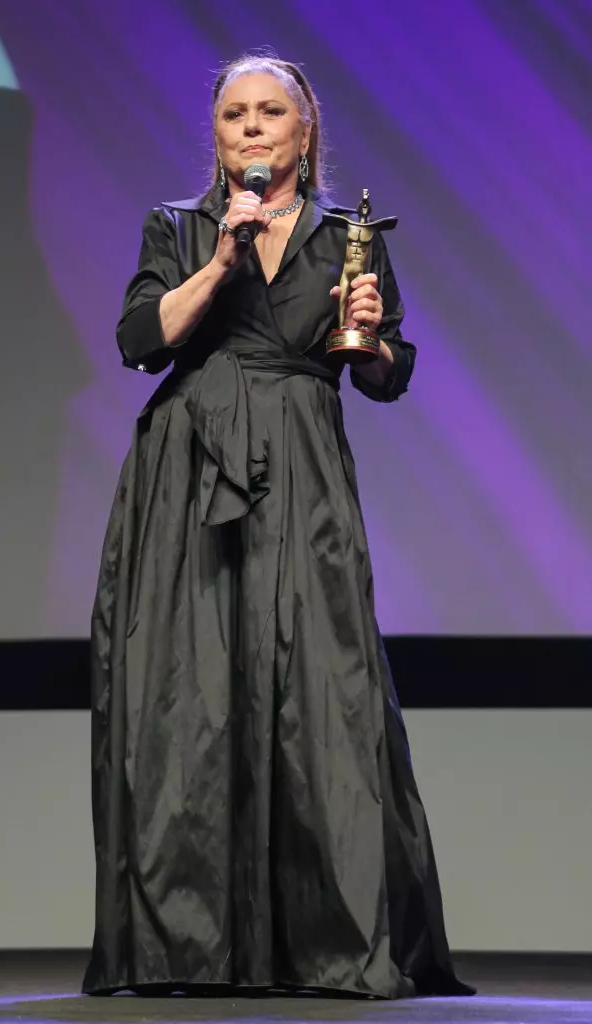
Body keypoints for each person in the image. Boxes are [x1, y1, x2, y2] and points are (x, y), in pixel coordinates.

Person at [83, 54, 471, 1000]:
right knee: (191, 693)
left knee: (322, 690)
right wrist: (222, 258)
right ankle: (187, 948)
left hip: (301, 470)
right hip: (189, 474)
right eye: (232, 115)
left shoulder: (350, 236)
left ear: (306, 131)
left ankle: (330, 944)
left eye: (270, 114)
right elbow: (141, 340)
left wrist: (372, 330)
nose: (251, 129)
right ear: (215, 134)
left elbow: (383, 375)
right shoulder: (177, 227)